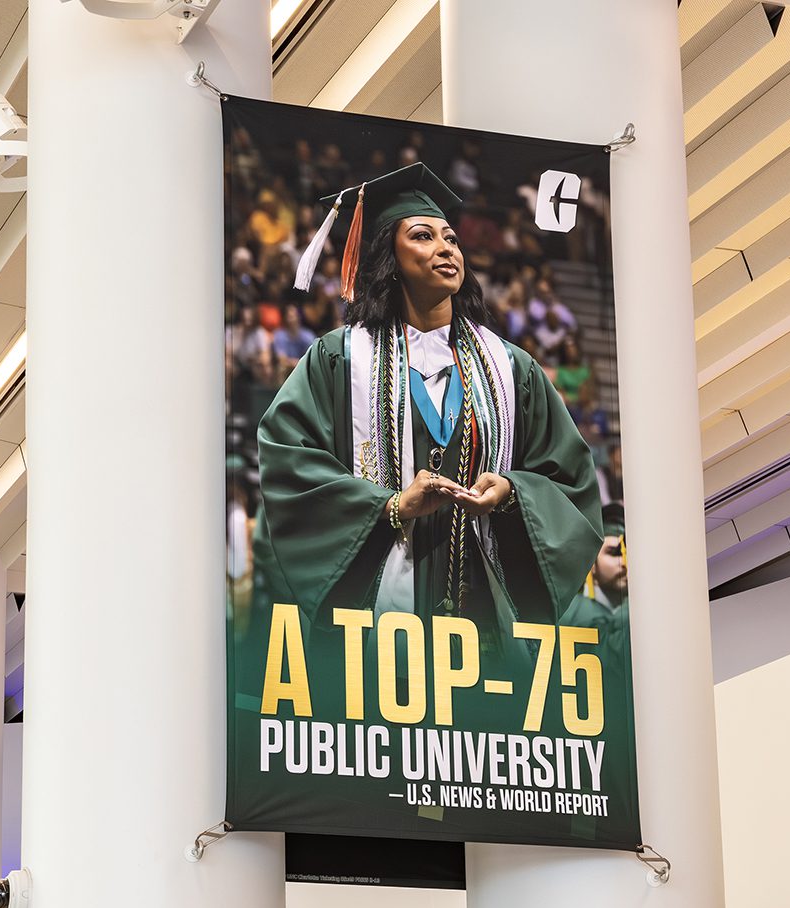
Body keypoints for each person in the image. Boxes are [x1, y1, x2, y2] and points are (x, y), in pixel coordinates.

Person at [254, 161, 601, 680]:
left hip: (485, 631)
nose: (447, 249)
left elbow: (570, 480)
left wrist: (510, 490)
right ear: (389, 259)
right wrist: (392, 506)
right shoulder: (341, 359)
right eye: (423, 236)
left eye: (452, 239)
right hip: (377, 635)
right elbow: (288, 459)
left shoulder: (511, 368)